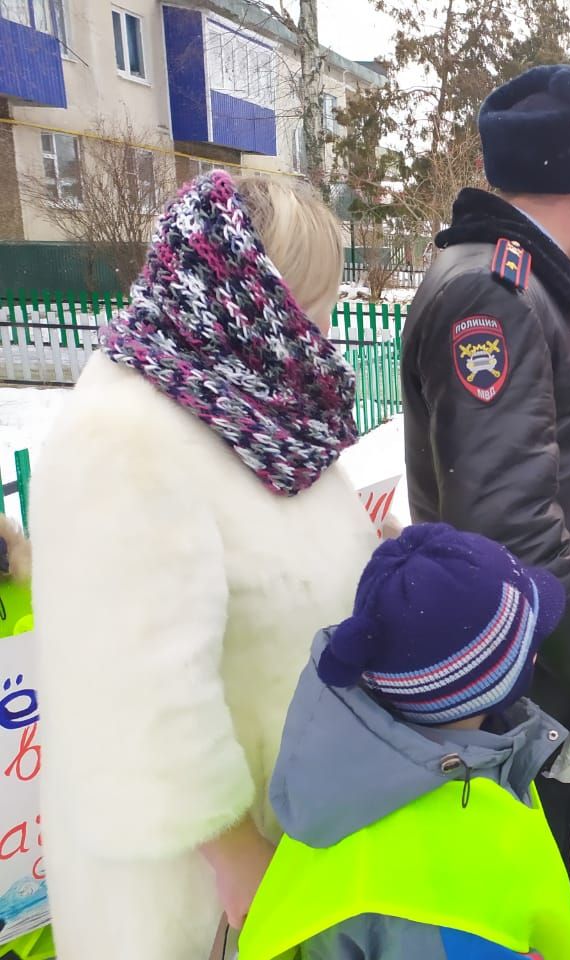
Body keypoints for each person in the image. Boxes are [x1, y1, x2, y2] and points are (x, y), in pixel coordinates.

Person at [31, 173, 378, 960]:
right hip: (205, 895)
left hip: (298, 840)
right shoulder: (123, 435)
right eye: (311, 297)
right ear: (243, 289)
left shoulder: (254, 408)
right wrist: (239, 862)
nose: (322, 327)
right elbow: (135, 691)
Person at [400, 62, 570, 916]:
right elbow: (509, 526)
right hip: (520, 665)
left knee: (537, 857)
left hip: (541, 650)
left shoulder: (523, 281)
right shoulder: (500, 295)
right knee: (516, 861)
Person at [238, 523, 570, 959]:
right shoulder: (438, 893)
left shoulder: (386, 766)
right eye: (528, 640)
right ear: (486, 684)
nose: (537, 648)